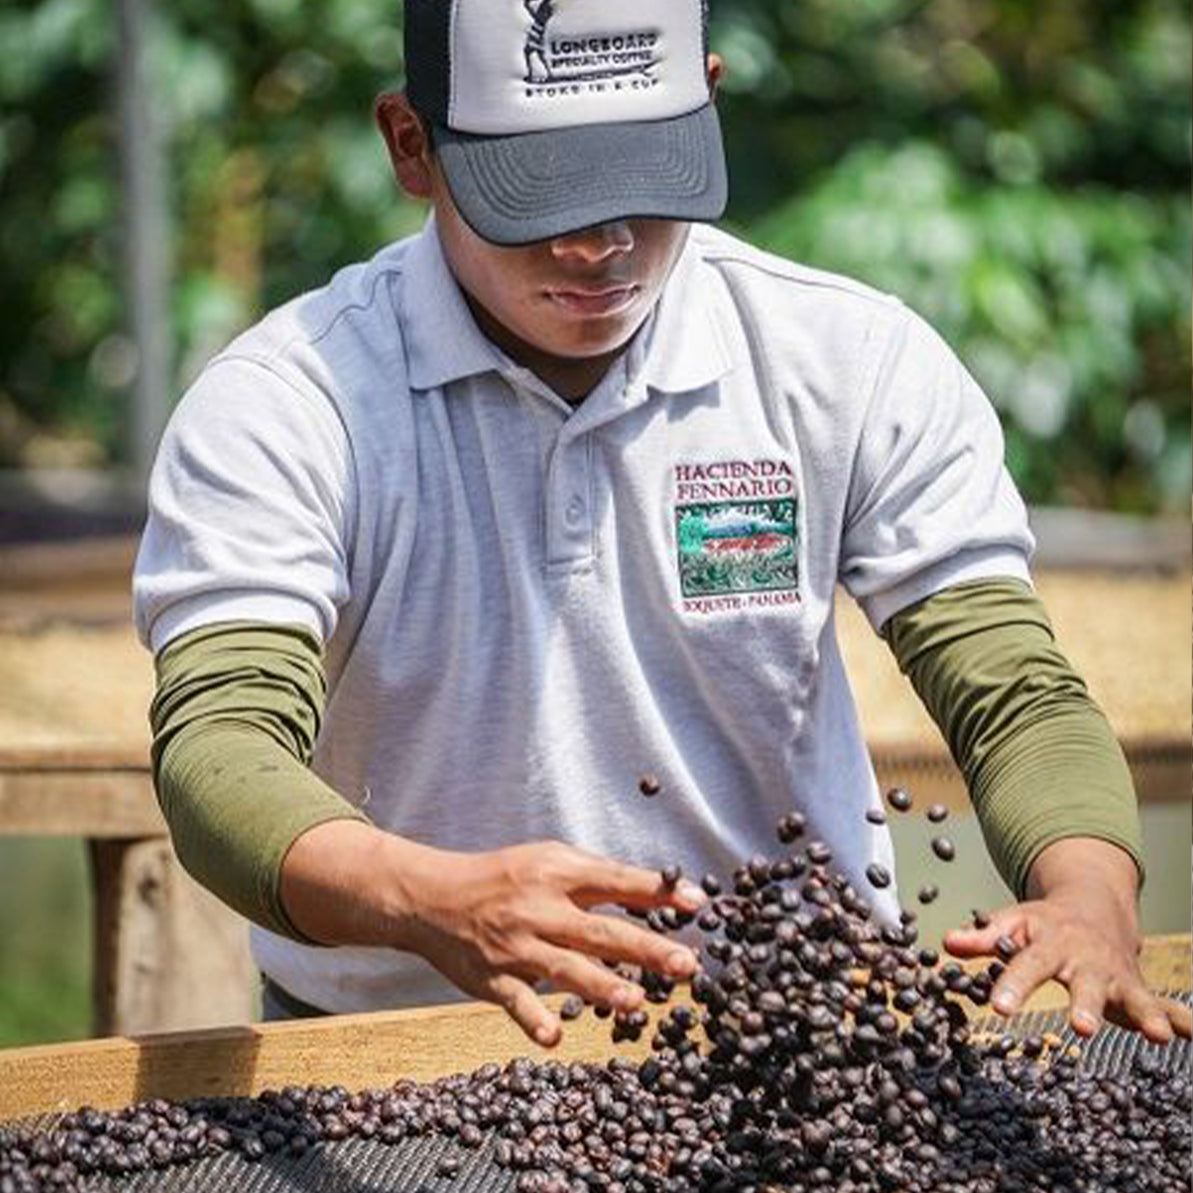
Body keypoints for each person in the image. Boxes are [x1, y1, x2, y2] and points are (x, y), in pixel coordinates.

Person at [133, 0, 1189, 1049]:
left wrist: (1087, 888)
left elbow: (1011, 689)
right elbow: (221, 749)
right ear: (413, 145)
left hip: (800, 1033)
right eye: (541, 197)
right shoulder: (289, 405)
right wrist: (429, 898)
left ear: (709, 103)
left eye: (642, 187)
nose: (599, 245)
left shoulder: (846, 366)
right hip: (391, 1040)